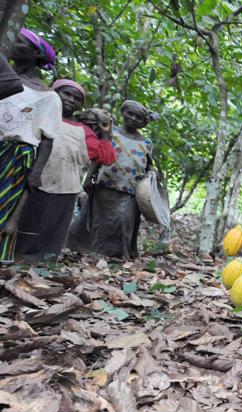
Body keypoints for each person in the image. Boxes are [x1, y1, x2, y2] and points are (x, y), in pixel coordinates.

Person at [14, 80, 116, 262]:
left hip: (66, 186)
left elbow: (106, 158)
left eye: (77, 98)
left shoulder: (83, 131)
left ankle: (45, 263)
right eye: (66, 94)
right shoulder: (37, 114)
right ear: (53, 94)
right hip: (31, 181)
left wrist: (106, 134)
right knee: (26, 223)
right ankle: (17, 258)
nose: (71, 100)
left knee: (53, 227)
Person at [0, 28, 61, 262]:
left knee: (4, 207)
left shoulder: (48, 96)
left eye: (19, 41)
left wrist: (36, 172)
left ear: (36, 54)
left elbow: (48, 139)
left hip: (16, 156)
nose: (11, 43)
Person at [72, 99, 153, 258]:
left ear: (143, 123)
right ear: (123, 113)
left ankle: (120, 254)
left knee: (124, 222)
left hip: (130, 189)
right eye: (130, 113)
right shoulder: (111, 133)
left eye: (138, 117)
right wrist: (89, 178)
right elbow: (98, 156)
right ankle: (92, 252)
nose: (132, 118)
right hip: (105, 184)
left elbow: (148, 165)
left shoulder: (146, 142)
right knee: (98, 221)